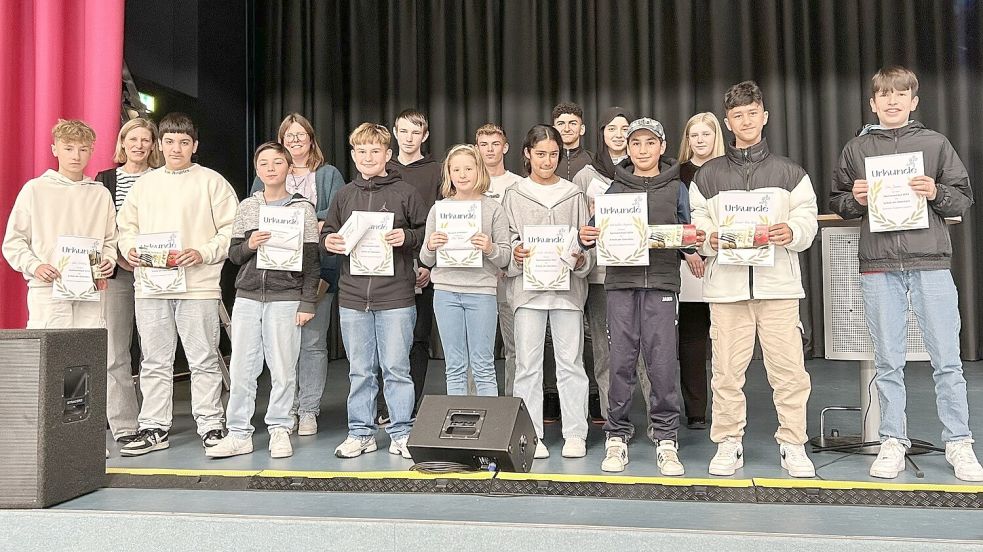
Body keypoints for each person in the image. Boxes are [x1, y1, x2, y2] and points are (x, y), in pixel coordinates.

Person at [829, 66, 982, 482]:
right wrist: (854, 200)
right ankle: (893, 440)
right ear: (873, 102)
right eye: (884, 94)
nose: (892, 100)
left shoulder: (935, 143)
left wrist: (936, 192)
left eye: (901, 93)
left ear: (914, 101)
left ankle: (959, 442)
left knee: (947, 361)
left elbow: (962, 199)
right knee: (888, 361)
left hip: (930, 261)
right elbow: (837, 200)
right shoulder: (856, 149)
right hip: (878, 266)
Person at [689, 81, 818, 478]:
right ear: (728, 123)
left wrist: (792, 231)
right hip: (727, 291)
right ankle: (728, 442)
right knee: (726, 371)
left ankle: (793, 443)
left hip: (777, 288)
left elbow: (807, 218)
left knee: (789, 371)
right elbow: (698, 225)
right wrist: (708, 241)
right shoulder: (707, 176)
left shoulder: (790, 171)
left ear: (764, 116)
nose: (745, 121)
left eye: (751, 113)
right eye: (737, 116)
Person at [580, 118, 704, 475]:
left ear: (662, 147)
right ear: (628, 149)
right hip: (620, 284)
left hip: (662, 283)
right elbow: (595, 232)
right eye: (636, 144)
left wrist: (691, 245)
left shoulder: (677, 187)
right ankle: (616, 433)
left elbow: (687, 232)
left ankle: (666, 437)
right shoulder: (615, 189)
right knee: (620, 360)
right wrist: (585, 236)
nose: (643, 150)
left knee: (663, 361)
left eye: (651, 143)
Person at [117, 112, 238, 456]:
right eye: (169, 141)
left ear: (194, 146)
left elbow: (231, 231)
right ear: (160, 144)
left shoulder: (212, 181)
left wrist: (202, 252)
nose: (176, 148)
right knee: (154, 360)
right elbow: (125, 228)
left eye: (184, 142)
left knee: (203, 358)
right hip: (152, 287)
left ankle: (211, 423)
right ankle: (154, 427)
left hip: (197, 287)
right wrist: (131, 250)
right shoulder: (145, 185)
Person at [322, 123, 428, 459]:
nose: (368, 157)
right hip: (353, 297)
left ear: (388, 154)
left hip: (395, 295)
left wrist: (407, 238)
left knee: (396, 367)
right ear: (354, 156)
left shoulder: (405, 192)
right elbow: (328, 232)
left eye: (375, 151)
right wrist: (329, 240)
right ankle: (361, 432)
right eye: (362, 151)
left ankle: (400, 431)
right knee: (360, 370)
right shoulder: (344, 195)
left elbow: (425, 230)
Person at [207, 142, 320, 459]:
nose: (271, 168)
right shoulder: (247, 207)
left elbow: (312, 262)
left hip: (286, 298)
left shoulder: (303, 210)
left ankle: (280, 429)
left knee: (283, 368)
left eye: (277, 162)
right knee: (242, 367)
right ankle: (239, 433)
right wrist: (250, 245)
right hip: (247, 297)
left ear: (288, 168)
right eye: (264, 163)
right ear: (257, 170)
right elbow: (233, 254)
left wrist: (307, 302)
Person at [250, 113, 346, 436]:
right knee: (281, 346)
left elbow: (337, 213)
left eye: (300, 134)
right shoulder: (269, 169)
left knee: (314, 343)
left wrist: (298, 217)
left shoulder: (329, 173)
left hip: (319, 271)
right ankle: (285, 408)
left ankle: (308, 409)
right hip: (276, 275)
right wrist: (309, 221)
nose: (294, 140)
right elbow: (256, 211)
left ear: (310, 138)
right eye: (288, 135)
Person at [502, 124, 593, 459]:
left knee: (571, 363)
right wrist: (515, 252)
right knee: (528, 365)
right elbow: (507, 238)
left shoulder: (573, 194)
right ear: (527, 154)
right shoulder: (514, 194)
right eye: (540, 154)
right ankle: (532, 435)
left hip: (567, 293)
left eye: (553, 154)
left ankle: (575, 433)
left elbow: (587, 244)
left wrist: (581, 258)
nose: (547, 160)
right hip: (528, 292)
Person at [572, 107, 652, 425]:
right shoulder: (585, 176)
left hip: (639, 271)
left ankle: (657, 420)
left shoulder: (647, 169)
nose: (618, 135)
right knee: (605, 352)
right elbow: (579, 228)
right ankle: (612, 419)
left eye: (624, 129)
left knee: (646, 351)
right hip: (601, 276)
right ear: (601, 133)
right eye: (611, 129)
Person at [3, 119, 117, 329]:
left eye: (83, 149)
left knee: (87, 352)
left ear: (91, 151)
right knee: (50, 352)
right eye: (68, 148)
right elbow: (14, 241)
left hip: (90, 289)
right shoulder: (35, 189)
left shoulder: (101, 194)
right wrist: (34, 265)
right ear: (55, 149)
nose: (76, 155)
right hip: (48, 287)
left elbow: (110, 240)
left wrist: (108, 260)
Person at [419, 144, 512, 396]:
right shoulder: (439, 209)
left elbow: (505, 257)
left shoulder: (494, 209)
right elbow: (425, 260)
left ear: (479, 171)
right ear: (448, 173)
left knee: (483, 366)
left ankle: (490, 432)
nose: (462, 174)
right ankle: (458, 427)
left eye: (468, 168)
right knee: (455, 366)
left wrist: (490, 248)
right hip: (446, 293)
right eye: (456, 169)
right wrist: (430, 245)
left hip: (481, 293)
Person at [95, 118, 164, 450]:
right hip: (119, 276)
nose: (138, 145)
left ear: (153, 146)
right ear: (122, 143)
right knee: (115, 353)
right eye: (132, 139)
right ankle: (123, 424)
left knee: (155, 352)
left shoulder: (161, 179)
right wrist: (119, 255)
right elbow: (101, 226)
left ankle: (153, 422)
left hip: (156, 275)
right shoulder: (104, 180)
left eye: (145, 139)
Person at [385, 109, 443, 421]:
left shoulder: (436, 170)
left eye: (415, 132)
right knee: (388, 339)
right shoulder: (382, 167)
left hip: (424, 267)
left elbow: (438, 221)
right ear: (395, 132)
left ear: (425, 136)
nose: (409, 138)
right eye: (404, 131)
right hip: (386, 267)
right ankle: (387, 406)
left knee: (418, 337)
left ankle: (413, 404)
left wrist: (427, 265)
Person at [675, 112, 726, 430]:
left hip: (726, 262)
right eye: (694, 135)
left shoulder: (729, 170)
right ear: (687, 140)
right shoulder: (676, 173)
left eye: (706, 134)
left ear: (716, 136)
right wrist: (690, 250)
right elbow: (673, 216)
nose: (700, 140)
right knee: (692, 338)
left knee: (724, 337)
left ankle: (726, 409)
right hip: (687, 264)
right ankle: (696, 410)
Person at [475, 123, 522, 395]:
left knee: (514, 346)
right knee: (476, 349)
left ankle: (514, 405)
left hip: (508, 277)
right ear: (476, 148)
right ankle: (475, 404)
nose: (490, 150)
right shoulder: (467, 182)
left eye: (495, 144)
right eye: (484, 144)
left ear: (504, 147)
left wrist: (509, 263)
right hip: (475, 276)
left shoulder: (517, 185)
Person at [552, 101, 595, 182]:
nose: (567, 129)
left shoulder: (595, 162)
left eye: (572, 123)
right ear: (554, 130)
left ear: (582, 129)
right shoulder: (546, 162)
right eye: (561, 124)